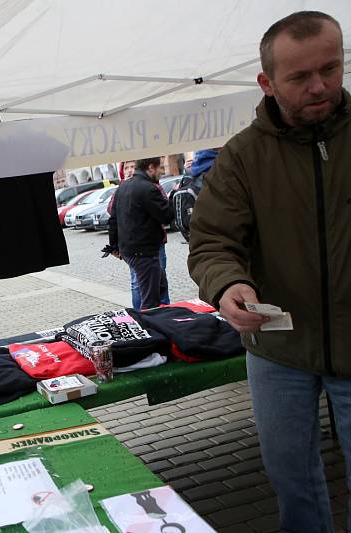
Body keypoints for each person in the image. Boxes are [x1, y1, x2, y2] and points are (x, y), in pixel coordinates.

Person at [188, 11, 350, 533]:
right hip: (278, 351)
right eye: (299, 77)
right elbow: (212, 241)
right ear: (266, 82)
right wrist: (228, 284)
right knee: (292, 481)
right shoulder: (240, 157)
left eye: (331, 67)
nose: (319, 86)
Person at [108, 157, 173, 310]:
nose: (162, 171)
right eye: (160, 167)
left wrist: (114, 246)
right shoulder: (148, 188)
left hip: (130, 250)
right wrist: (174, 195)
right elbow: (167, 216)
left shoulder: (122, 187)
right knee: (150, 300)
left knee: (158, 287)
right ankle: (148, 326)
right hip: (143, 252)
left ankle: (164, 319)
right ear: (151, 167)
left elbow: (113, 219)